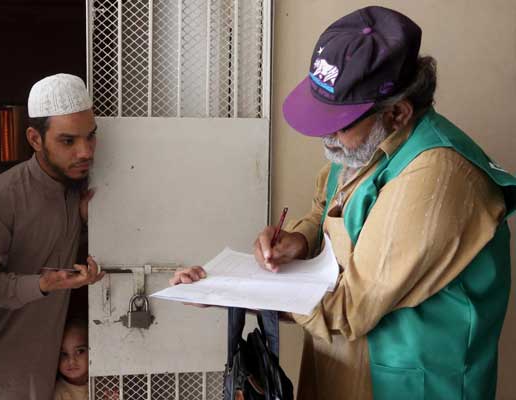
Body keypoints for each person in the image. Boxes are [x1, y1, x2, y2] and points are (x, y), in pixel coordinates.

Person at [171, 6, 516, 400]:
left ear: (398, 113)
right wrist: (300, 239)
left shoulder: (438, 177)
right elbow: (326, 207)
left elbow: (348, 307)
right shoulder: (367, 143)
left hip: (410, 384)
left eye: (339, 124)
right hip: (346, 367)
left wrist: (226, 293)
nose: (326, 139)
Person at [0, 73, 105, 400]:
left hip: (39, 370)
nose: (85, 152)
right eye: (68, 141)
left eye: (90, 137)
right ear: (35, 139)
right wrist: (43, 284)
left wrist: (83, 229)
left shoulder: (75, 191)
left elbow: (46, 248)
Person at [54, 318, 89, 400]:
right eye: (64, 354)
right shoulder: (58, 392)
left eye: (80, 351)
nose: (71, 361)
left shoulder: (101, 381)